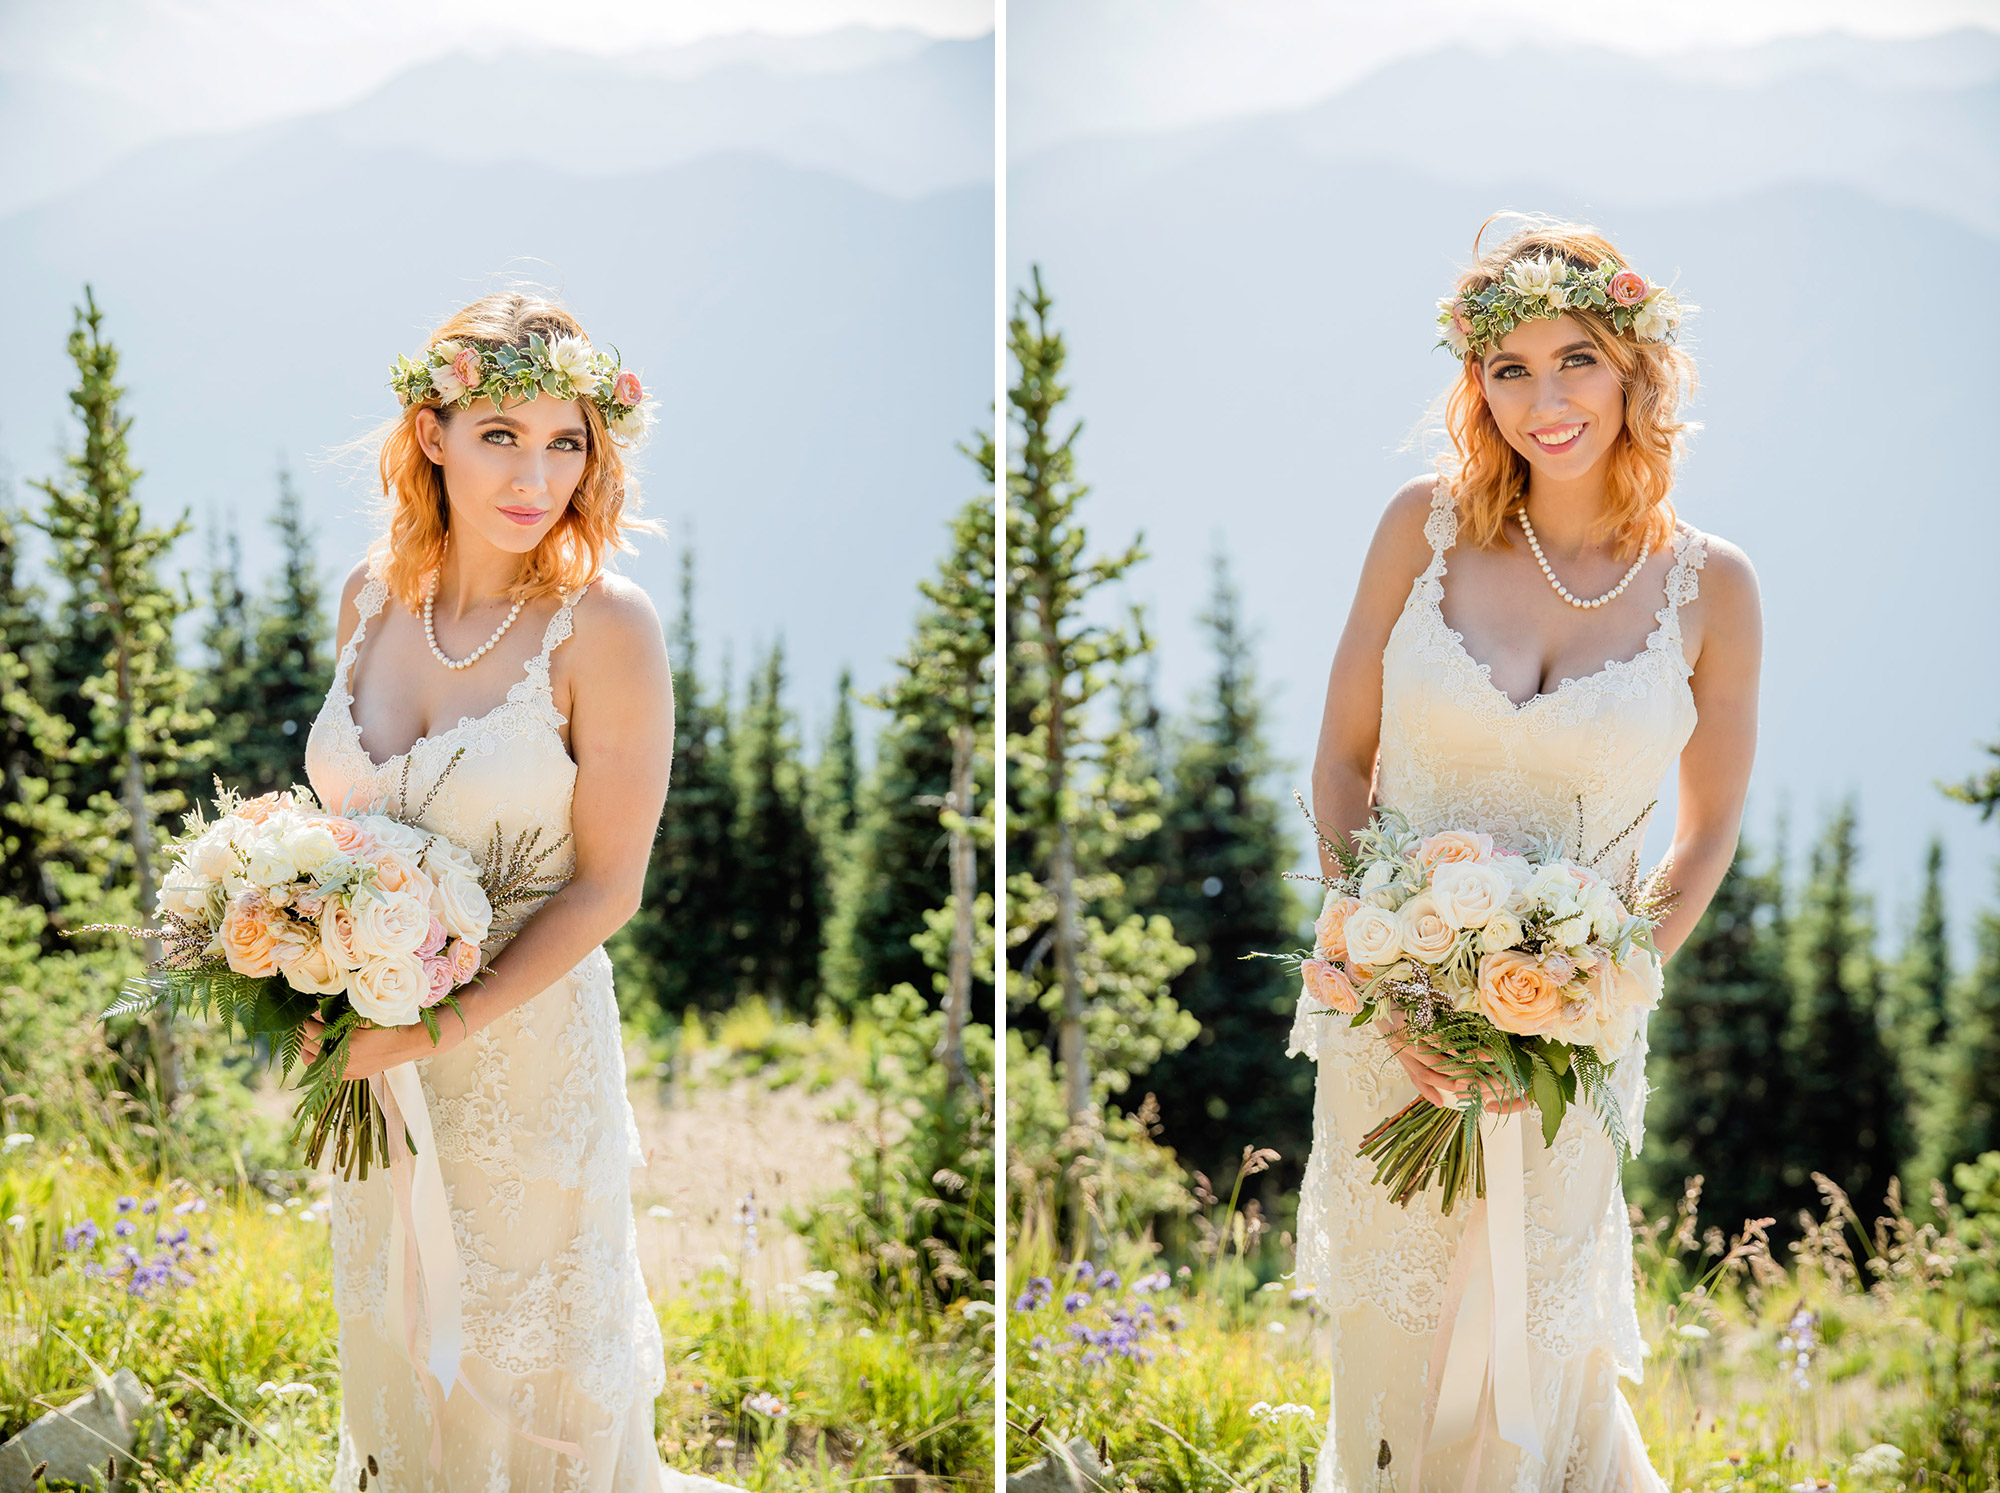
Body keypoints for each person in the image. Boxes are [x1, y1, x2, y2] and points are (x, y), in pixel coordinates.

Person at [1291, 217, 1761, 1490]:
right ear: (1473, 383)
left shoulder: (1710, 587)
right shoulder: (1420, 527)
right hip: (1385, 1001)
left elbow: (1705, 825)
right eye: (1508, 369)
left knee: (1529, 1330)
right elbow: (1339, 765)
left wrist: (1598, 986)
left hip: (1576, 1041)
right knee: (1397, 1324)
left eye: (1575, 361)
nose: (1543, 401)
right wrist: (1390, 983)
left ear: (1635, 371)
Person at [301, 290, 692, 1489]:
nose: (537, 476)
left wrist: (438, 1021)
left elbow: (607, 888)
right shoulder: (369, 597)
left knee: (526, 1368)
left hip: (525, 1056)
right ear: (433, 435)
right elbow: (341, 831)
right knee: (402, 1333)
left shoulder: (604, 628)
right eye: (501, 437)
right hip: (374, 1065)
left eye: (566, 440)